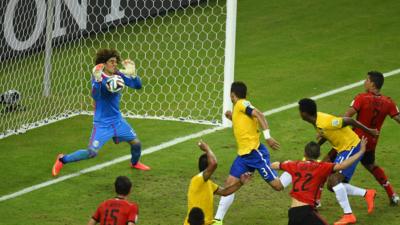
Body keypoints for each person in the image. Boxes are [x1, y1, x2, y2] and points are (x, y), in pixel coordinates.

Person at [52, 49, 150, 176]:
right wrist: (98, 81)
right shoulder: (97, 77)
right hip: (102, 123)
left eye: (116, 62)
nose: (115, 64)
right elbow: (96, 96)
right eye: (111, 61)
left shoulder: (118, 75)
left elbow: (138, 86)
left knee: (136, 143)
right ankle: (62, 159)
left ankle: (134, 163)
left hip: (117, 120)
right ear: (103, 64)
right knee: (91, 152)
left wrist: (133, 74)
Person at [213, 81, 291, 225]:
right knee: (229, 184)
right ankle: (218, 220)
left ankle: (293, 170)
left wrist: (267, 137)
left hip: (255, 154)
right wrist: (232, 117)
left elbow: (259, 114)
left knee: (277, 186)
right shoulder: (238, 108)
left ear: (232, 95)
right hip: (243, 156)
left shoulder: (242, 104)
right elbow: (245, 122)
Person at [298, 98, 378, 225]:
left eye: (300, 111)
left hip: (351, 146)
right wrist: (318, 144)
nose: (299, 113)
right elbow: (327, 133)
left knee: (334, 181)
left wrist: (370, 131)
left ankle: (349, 215)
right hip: (340, 148)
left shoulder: (325, 122)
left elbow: (349, 120)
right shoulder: (317, 121)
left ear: (304, 113)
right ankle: (366, 193)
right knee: (327, 179)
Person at [271, 137, 367, 225]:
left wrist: (282, 164)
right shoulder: (323, 167)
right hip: (307, 212)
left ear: (305, 154)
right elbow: (343, 165)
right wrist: (361, 151)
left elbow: (275, 165)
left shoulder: (294, 165)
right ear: (319, 155)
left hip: (293, 213)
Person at [344, 71, 400, 205]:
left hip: (354, 142)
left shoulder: (361, 98)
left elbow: (346, 117)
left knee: (330, 162)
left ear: (372, 84)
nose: (365, 82)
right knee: (370, 165)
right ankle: (392, 194)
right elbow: (398, 118)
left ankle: (316, 199)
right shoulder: (388, 102)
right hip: (370, 143)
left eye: (367, 80)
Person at [184, 140, 252, 225]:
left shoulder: (208, 183)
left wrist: (240, 183)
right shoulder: (197, 180)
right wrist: (206, 149)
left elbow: (225, 192)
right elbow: (214, 164)